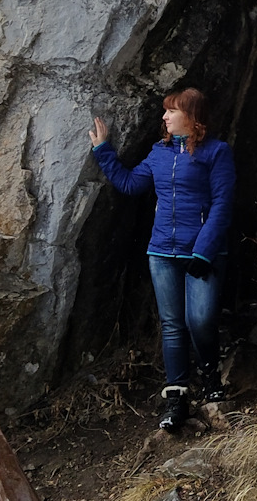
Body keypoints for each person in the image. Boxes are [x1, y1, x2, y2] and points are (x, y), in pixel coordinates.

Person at [89, 89, 236, 432]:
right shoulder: (159, 153)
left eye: (172, 111)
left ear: (193, 117)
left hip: (203, 253)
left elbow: (223, 205)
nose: (165, 117)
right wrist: (103, 150)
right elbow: (128, 184)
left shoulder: (217, 152)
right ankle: (177, 398)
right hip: (162, 253)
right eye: (165, 112)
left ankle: (210, 375)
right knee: (172, 325)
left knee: (200, 320)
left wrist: (203, 251)